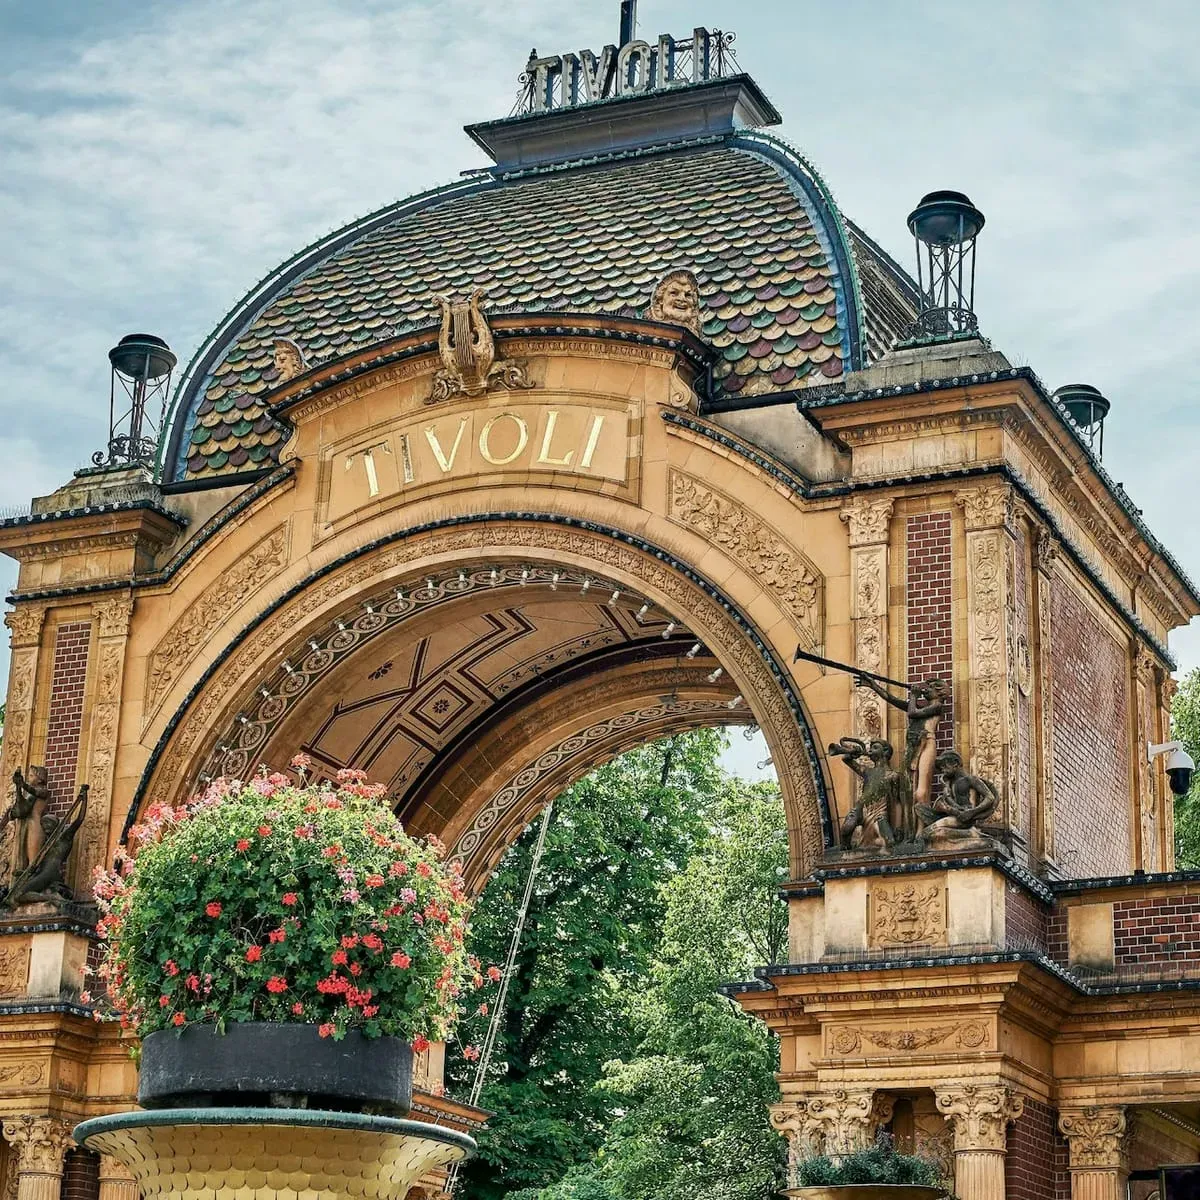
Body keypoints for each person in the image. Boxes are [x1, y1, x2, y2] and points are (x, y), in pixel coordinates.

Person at [853, 676, 949, 841]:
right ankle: (909, 832)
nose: (926, 689)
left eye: (931, 687)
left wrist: (913, 695)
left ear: (939, 692)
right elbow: (894, 700)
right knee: (908, 792)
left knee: (920, 792)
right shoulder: (919, 706)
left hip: (926, 745)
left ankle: (921, 831)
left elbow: (912, 712)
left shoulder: (937, 706)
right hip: (913, 747)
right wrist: (874, 686)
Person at [1, 767, 50, 877]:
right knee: (22, 855)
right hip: (26, 824)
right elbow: (22, 809)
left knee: (33, 859)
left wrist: (22, 784)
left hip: (35, 825)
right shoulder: (29, 794)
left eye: (32, 776)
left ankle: (32, 873)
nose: (29, 778)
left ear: (40, 779)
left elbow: (35, 792)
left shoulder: (43, 790)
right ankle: (25, 873)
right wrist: (19, 787)